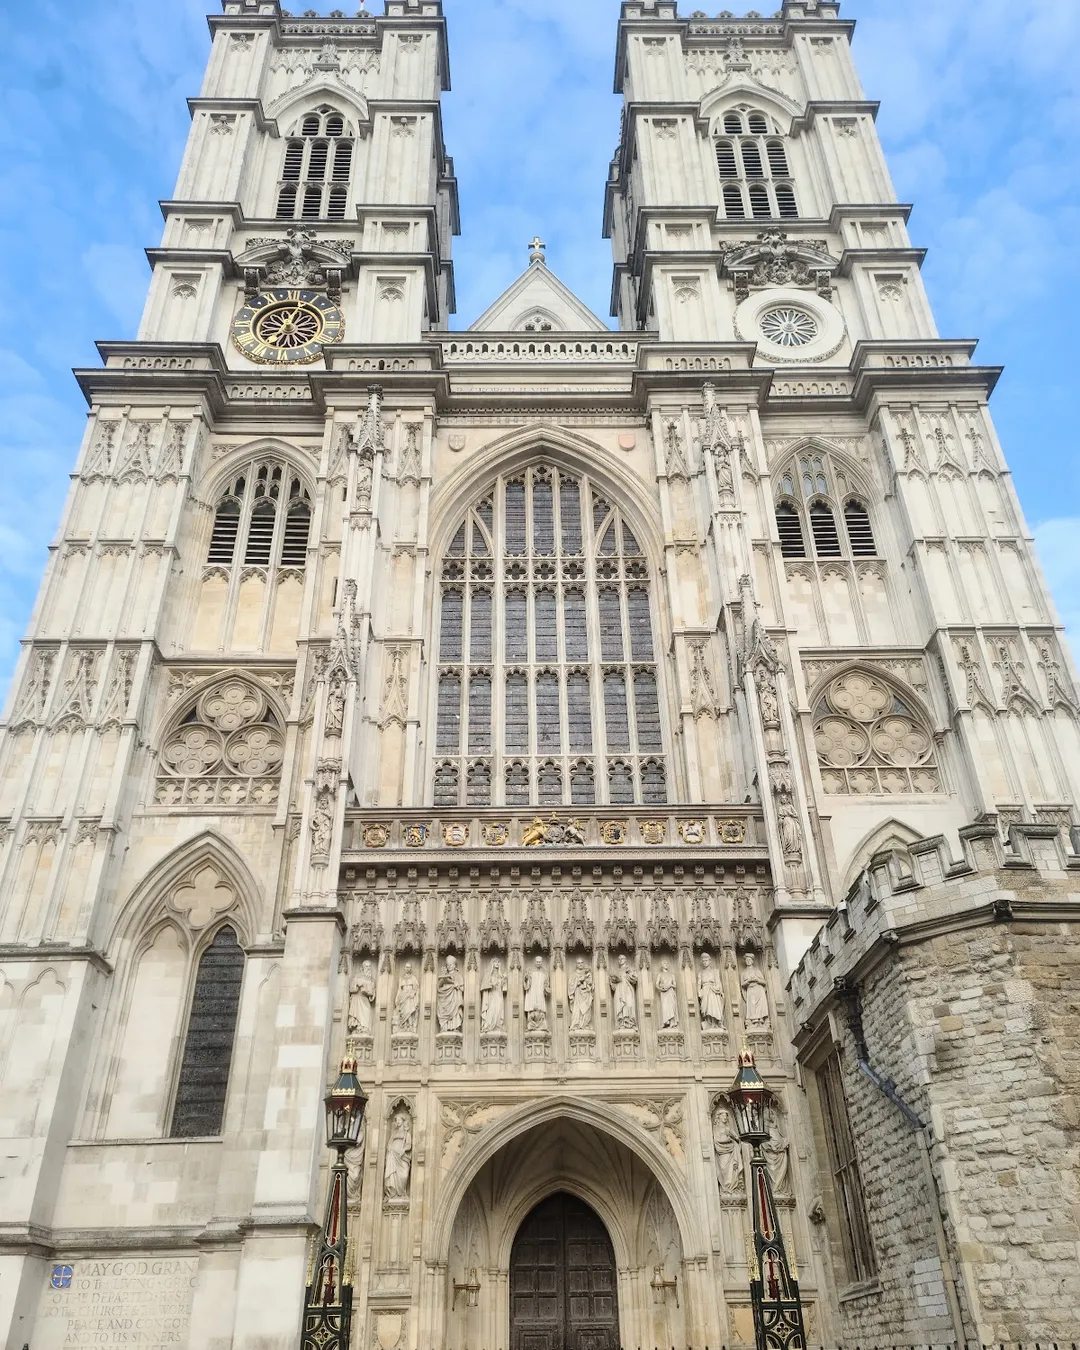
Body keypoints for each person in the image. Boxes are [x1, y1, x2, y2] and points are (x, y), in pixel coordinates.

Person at [383, 1110, 412, 1202]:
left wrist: (403, 1150)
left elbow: (409, 1145)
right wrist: (389, 1150)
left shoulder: (407, 1133)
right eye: (396, 1120)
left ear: (403, 1121)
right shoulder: (394, 1133)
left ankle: (402, 1193)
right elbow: (389, 1144)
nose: (398, 1122)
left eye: (399, 1120)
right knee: (392, 1175)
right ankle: (393, 1194)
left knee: (404, 1176)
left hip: (402, 1157)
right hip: (392, 1156)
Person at [741, 951, 770, 1028]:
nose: (748, 961)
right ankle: (754, 1021)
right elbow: (742, 984)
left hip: (758, 989)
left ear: (752, 961)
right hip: (750, 990)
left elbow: (764, 982)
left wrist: (757, 979)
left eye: (749, 960)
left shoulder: (757, 970)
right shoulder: (744, 973)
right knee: (752, 1006)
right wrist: (748, 981)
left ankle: (760, 1021)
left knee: (759, 1006)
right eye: (747, 960)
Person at [436, 954, 464, 1034]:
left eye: (451, 965)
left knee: (455, 1011)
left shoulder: (458, 975)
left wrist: (456, 985)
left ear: (454, 966)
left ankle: (455, 1027)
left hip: (454, 998)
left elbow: (462, 988)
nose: (449, 966)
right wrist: (443, 979)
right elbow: (438, 987)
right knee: (443, 1009)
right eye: (447, 965)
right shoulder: (444, 975)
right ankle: (445, 1027)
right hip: (445, 998)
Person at [348, 959, 376, 1036]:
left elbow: (373, 994)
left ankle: (365, 1029)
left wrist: (369, 992)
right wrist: (358, 986)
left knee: (367, 1013)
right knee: (357, 1014)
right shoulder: (357, 976)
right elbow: (351, 988)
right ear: (363, 967)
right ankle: (357, 1028)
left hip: (365, 999)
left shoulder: (372, 979)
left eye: (369, 966)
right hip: (357, 998)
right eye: (366, 966)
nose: (368, 968)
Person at [609, 954, 638, 1030]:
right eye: (619, 959)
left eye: (622, 958)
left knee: (629, 1005)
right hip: (619, 990)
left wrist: (628, 974)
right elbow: (613, 985)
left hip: (628, 989)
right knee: (620, 1006)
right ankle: (621, 1023)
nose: (620, 960)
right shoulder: (617, 971)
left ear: (625, 960)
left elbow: (635, 979)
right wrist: (614, 980)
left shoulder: (630, 969)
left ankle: (630, 1023)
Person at [698, 951, 725, 1030]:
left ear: (709, 961)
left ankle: (715, 1023)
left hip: (713, 990)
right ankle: (708, 1023)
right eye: (703, 961)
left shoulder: (715, 971)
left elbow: (718, 982)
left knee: (714, 1007)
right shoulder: (701, 973)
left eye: (706, 961)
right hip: (705, 991)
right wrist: (699, 993)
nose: (705, 962)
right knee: (706, 1009)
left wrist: (720, 991)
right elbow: (699, 985)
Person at [523, 955, 550, 1032]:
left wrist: (546, 989)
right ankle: (531, 1024)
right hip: (532, 992)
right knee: (532, 1006)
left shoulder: (545, 972)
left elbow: (546, 984)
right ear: (535, 962)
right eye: (537, 962)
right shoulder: (530, 971)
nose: (539, 963)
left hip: (540, 993)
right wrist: (526, 979)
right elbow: (526, 983)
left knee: (541, 1006)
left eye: (540, 962)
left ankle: (541, 1024)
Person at [392, 962, 419, 1035]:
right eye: (406, 967)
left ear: (411, 969)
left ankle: (410, 1027)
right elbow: (399, 989)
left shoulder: (413, 978)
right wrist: (397, 998)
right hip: (402, 997)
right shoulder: (402, 978)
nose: (407, 968)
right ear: (404, 968)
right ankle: (403, 1026)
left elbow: (416, 988)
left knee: (409, 1012)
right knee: (403, 1013)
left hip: (409, 998)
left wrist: (413, 993)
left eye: (409, 967)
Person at [568, 957, 594, 1033]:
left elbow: (591, 984)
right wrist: (578, 981)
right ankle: (576, 1025)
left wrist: (587, 981)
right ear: (576, 964)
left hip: (586, 994)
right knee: (577, 1010)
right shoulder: (573, 974)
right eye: (579, 963)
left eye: (582, 963)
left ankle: (585, 1024)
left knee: (586, 1010)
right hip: (578, 995)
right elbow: (571, 985)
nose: (580, 964)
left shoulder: (587, 973)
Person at [480, 958, 506, 1034]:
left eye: (498, 962)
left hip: (499, 994)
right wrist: (491, 984)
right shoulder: (488, 974)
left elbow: (504, 988)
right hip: (491, 995)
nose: (497, 963)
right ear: (492, 964)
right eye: (495, 962)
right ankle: (489, 1025)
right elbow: (485, 985)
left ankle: (497, 1025)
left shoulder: (500, 975)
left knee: (498, 1009)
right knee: (492, 1009)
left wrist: (504, 980)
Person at [655, 959, 679, 1030]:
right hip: (664, 993)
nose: (666, 964)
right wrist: (661, 989)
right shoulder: (660, 974)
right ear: (662, 965)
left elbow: (675, 985)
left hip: (671, 992)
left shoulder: (672, 975)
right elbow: (656, 984)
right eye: (664, 963)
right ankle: (666, 1022)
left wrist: (670, 985)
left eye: (667, 963)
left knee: (672, 1007)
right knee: (665, 1007)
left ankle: (672, 1022)